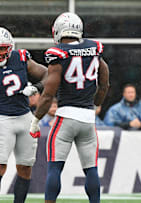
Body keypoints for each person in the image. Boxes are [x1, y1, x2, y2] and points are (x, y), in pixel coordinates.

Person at [29, 13, 110, 203]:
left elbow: (49, 93)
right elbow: (105, 83)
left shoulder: (59, 54)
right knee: (91, 169)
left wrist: (35, 120)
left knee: (55, 168)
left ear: (57, 31)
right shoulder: (93, 49)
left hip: (65, 117)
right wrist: (96, 103)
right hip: (88, 119)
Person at [0, 27, 48, 203]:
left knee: (25, 168)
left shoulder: (20, 59)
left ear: (10, 47)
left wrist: (37, 88)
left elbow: (48, 74)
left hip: (25, 118)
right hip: (4, 121)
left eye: (1, 48)